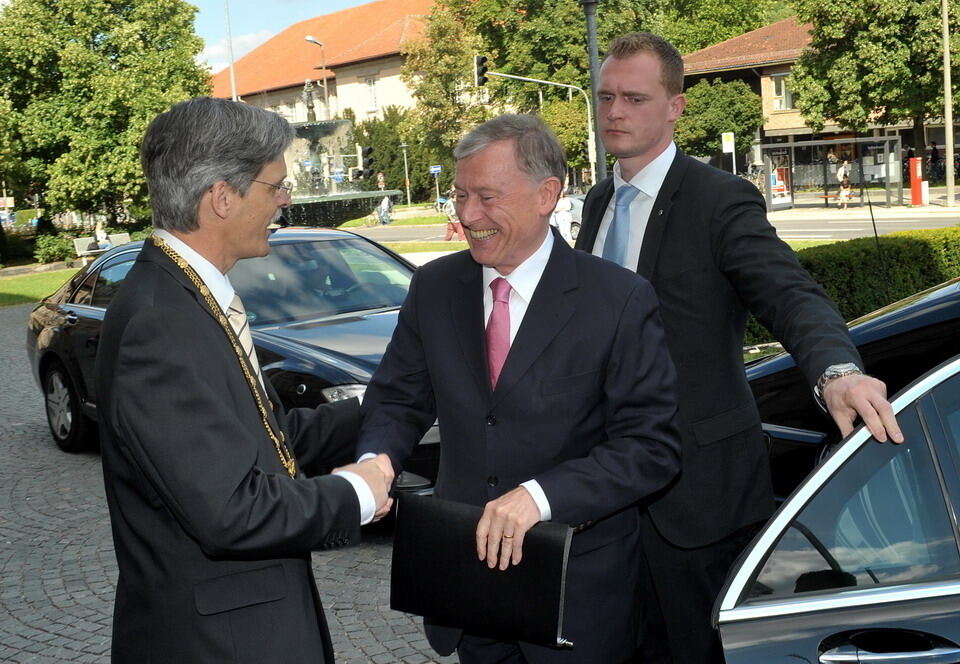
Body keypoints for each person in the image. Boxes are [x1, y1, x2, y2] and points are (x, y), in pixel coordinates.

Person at [574, 32, 901, 663]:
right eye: (606, 96)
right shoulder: (597, 201)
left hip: (699, 500)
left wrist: (836, 370)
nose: (614, 112)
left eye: (634, 99)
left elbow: (790, 293)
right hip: (608, 497)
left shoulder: (717, 199)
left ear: (675, 107)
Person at [358, 114, 682, 663]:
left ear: (546, 195)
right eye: (460, 195)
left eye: (487, 196)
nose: (467, 215)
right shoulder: (434, 287)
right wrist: (376, 461)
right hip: (469, 591)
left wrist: (539, 496)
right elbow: (397, 398)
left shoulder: (618, 299)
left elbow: (650, 448)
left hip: (576, 595)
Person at [95, 97, 393, 664]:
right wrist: (357, 492)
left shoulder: (187, 296)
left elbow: (266, 440)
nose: (286, 199)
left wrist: (391, 403)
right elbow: (233, 510)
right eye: (274, 185)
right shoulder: (161, 322)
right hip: (218, 644)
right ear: (222, 198)